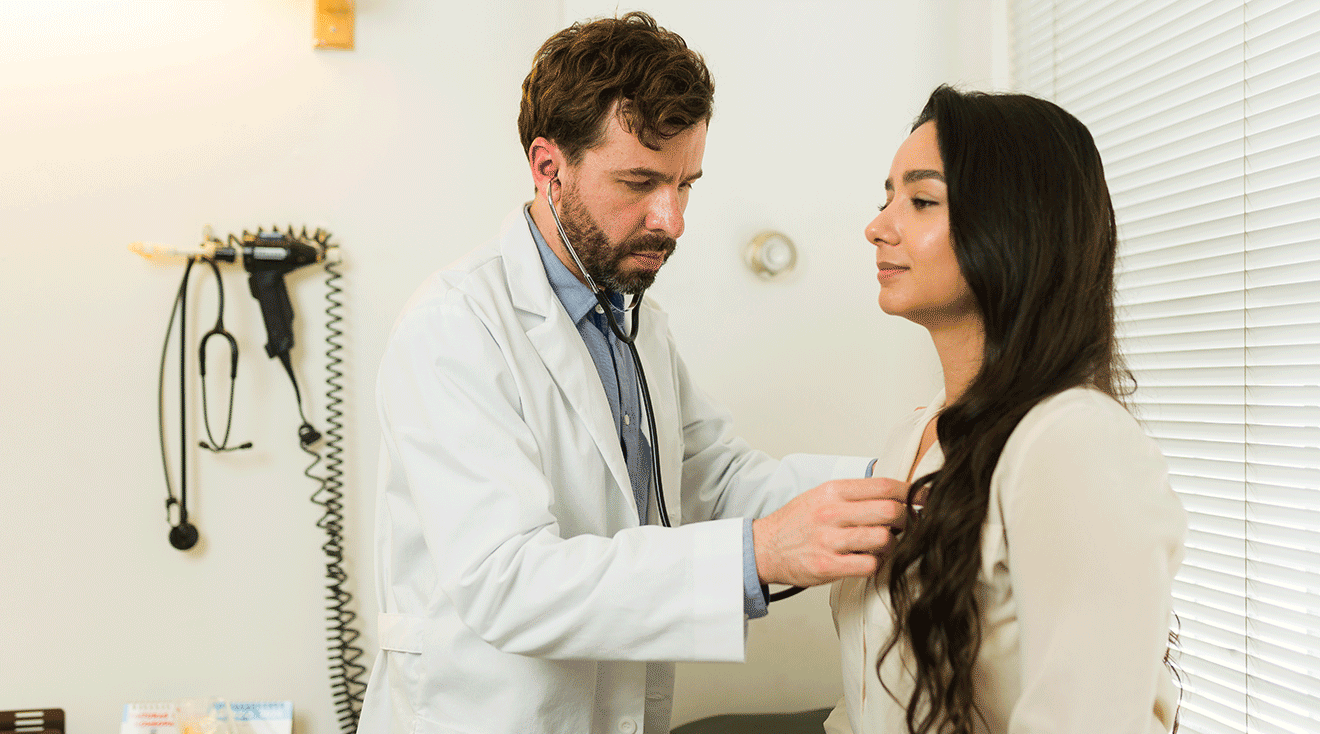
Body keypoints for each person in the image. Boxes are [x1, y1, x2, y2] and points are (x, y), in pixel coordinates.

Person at [358, 13, 909, 734]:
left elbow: (713, 479)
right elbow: (506, 581)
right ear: (548, 167)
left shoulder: (629, 316)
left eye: (686, 185)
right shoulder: (455, 326)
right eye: (640, 182)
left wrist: (902, 480)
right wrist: (763, 552)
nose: (671, 219)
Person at [824, 86, 1187, 734]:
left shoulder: (1073, 443)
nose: (878, 225)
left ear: (1014, 224)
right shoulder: (914, 434)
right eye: (887, 198)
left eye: (922, 200)